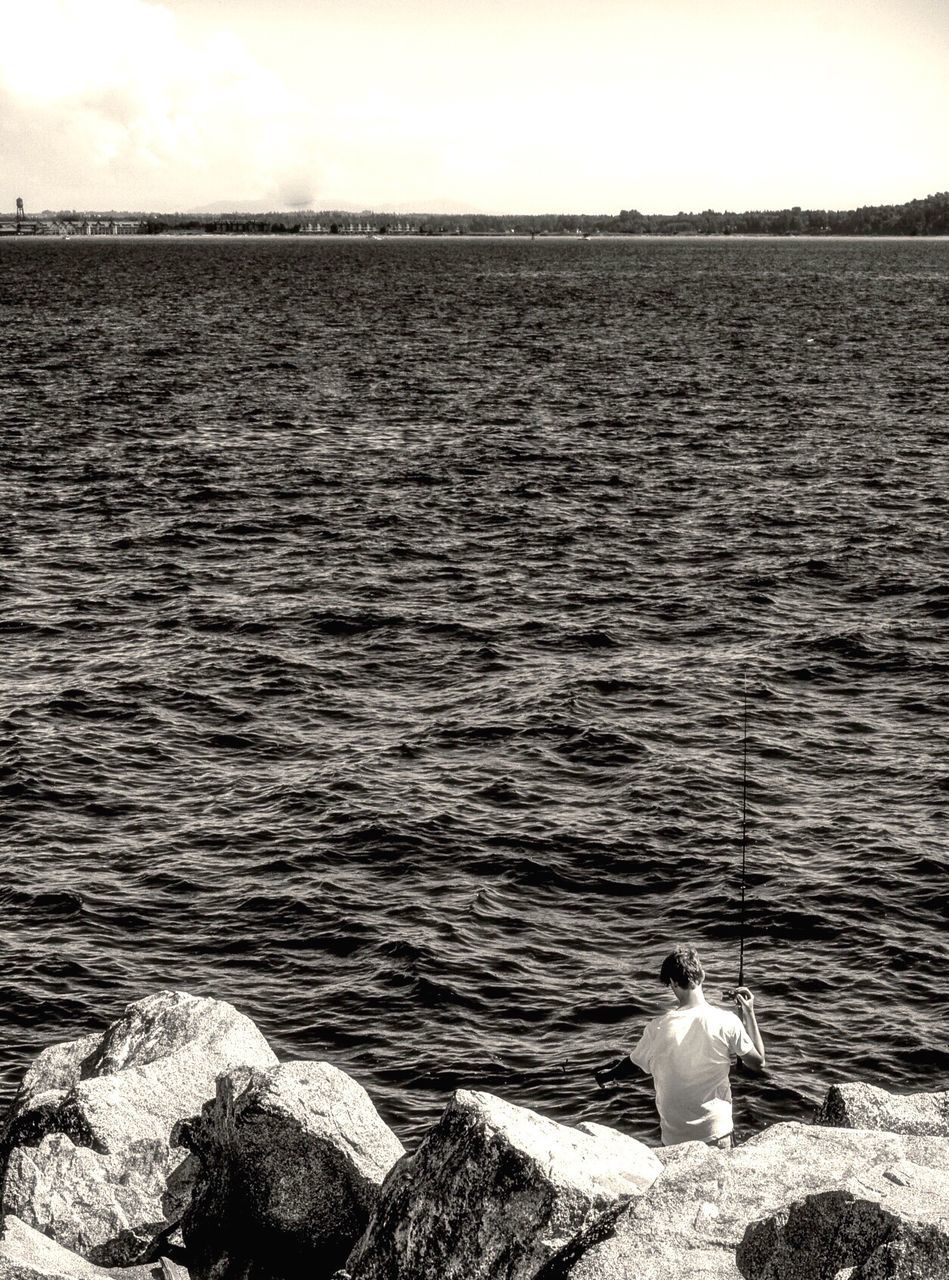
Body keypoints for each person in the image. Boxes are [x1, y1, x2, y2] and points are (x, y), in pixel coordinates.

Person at [594, 945, 765, 1148]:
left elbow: (632, 1066)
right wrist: (749, 1013)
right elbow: (758, 1062)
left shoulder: (657, 1027)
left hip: (675, 1140)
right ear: (702, 976)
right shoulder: (726, 1021)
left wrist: (607, 1075)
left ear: (673, 983)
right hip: (716, 1133)